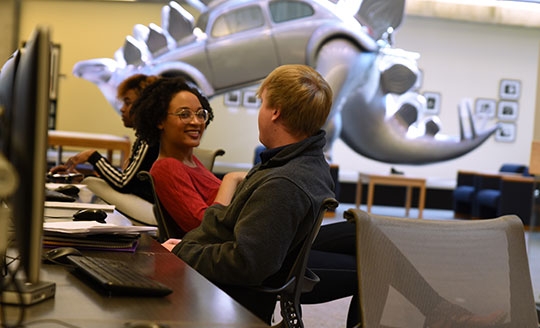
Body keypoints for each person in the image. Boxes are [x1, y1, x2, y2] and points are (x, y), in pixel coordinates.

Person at [134, 69, 504, 327]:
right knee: (376, 261)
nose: (197, 120)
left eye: (262, 103)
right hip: (259, 245)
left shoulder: (284, 179)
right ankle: (441, 310)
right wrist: (230, 186)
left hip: (261, 250)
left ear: (275, 111)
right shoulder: (301, 166)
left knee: (374, 241)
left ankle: (440, 310)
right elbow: (215, 226)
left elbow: (239, 251)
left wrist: (190, 242)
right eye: (185, 114)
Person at [49, 74, 160, 202]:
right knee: (90, 184)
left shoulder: (149, 138)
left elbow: (123, 183)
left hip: (148, 207)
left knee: (90, 189)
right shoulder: (145, 136)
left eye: (128, 103)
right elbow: (127, 180)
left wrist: (92, 156)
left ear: (145, 105)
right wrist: (79, 177)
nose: (122, 109)